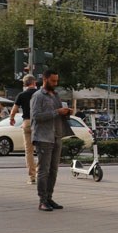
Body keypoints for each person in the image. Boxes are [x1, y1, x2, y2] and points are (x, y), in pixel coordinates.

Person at [31, 68, 72, 212]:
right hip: (43, 137)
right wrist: (56, 112)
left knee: (54, 170)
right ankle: (42, 200)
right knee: (44, 170)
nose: (55, 83)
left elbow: (59, 114)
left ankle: (49, 197)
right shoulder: (38, 96)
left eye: (57, 81)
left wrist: (66, 113)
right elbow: (36, 116)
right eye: (53, 81)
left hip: (56, 136)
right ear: (45, 79)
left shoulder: (55, 95)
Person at [9, 74, 38, 184]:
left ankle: (32, 176)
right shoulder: (39, 94)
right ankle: (40, 171)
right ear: (34, 82)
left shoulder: (21, 95)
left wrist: (12, 119)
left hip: (26, 123)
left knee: (28, 151)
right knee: (41, 149)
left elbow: (14, 110)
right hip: (39, 123)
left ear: (24, 84)